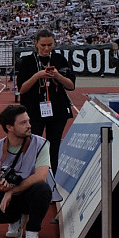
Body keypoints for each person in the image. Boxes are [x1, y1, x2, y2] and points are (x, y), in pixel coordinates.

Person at [0, 104, 54, 238]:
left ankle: (32, 229)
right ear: (9, 127)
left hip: (30, 192)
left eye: (28, 121)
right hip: (8, 194)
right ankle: (16, 218)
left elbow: (40, 176)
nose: (29, 125)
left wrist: (12, 191)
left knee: (42, 189)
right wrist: (2, 188)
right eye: (23, 123)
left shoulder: (41, 144)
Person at [16, 29, 76, 173]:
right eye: (43, 45)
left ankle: (51, 178)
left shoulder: (60, 59)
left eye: (50, 45)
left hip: (57, 110)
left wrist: (58, 76)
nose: (46, 48)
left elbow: (71, 86)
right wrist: (37, 76)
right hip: (33, 110)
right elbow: (22, 89)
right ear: (36, 44)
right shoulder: (27, 61)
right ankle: (32, 176)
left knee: (53, 147)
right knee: (32, 146)